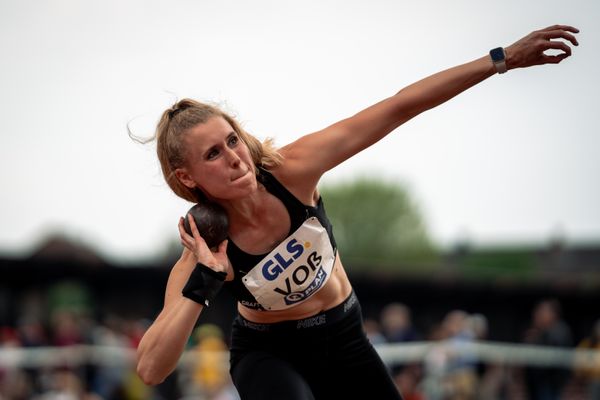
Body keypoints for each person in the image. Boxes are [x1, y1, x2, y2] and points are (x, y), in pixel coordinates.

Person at [135, 25, 579, 399]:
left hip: (346, 335)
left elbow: (399, 106)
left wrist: (501, 59)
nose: (234, 157)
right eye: (213, 154)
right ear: (187, 177)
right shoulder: (207, 247)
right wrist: (205, 284)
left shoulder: (293, 171)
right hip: (269, 354)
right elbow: (152, 369)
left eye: (232, 140)